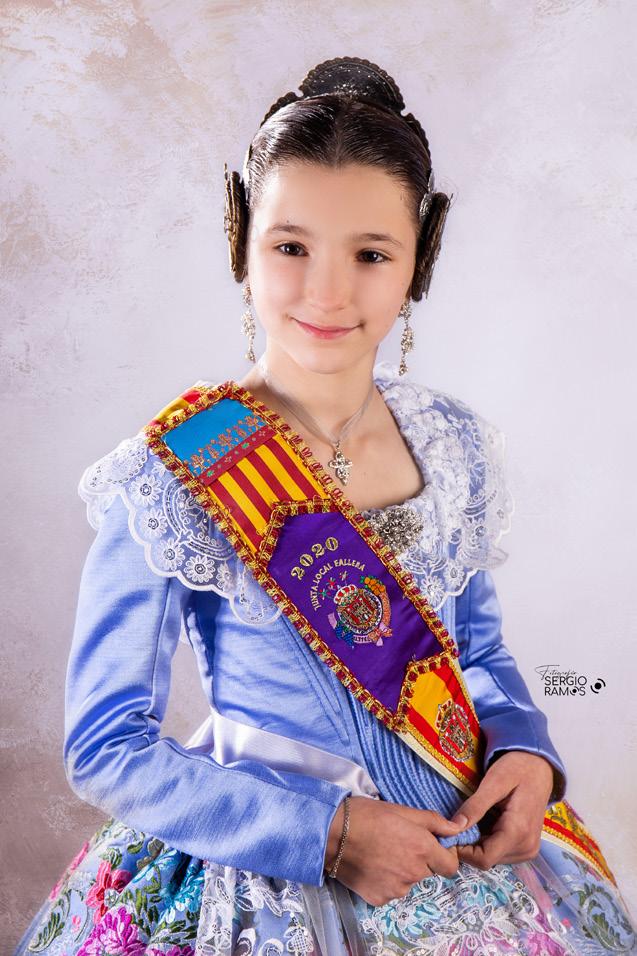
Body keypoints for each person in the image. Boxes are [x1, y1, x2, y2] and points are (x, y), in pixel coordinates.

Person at [13, 56, 636, 956]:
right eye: (290, 247)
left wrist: (523, 751)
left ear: (420, 260)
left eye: (370, 254)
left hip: (462, 856)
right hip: (259, 872)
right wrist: (329, 835)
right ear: (241, 242)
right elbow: (107, 745)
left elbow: (478, 654)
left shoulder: (453, 444)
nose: (327, 293)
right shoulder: (173, 472)